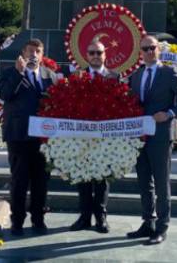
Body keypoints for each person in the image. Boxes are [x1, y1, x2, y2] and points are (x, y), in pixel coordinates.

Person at [126, 35, 177, 245]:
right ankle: (148, 222)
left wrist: (170, 113)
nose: (149, 51)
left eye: (152, 47)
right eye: (145, 48)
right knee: (144, 183)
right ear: (140, 53)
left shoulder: (169, 72)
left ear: (158, 50)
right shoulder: (136, 76)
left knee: (162, 183)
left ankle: (162, 227)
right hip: (140, 137)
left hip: (161, 136)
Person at [0, 39, 56, 236]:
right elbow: (5, 95)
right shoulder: (9, 73)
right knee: (20, 182)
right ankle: (17, 222)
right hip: (19, 136)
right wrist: (19, 73)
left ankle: (38, 220)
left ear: (42, 54)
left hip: (43, 139)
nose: (34, 55)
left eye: (37, 51)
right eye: (30, 51)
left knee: (41, 182)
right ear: (23, 53)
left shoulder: (51, 76)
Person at [70, 40, 119, 233]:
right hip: (81, 137)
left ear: (105, 55)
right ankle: (84, 217)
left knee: (102, 178)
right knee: (82, 177)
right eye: (92, 53)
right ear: (86, 55)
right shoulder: (77, 76)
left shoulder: (115, 77)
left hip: (105, 138)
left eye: (99, 53)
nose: (96, 56)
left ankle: (101, 218)